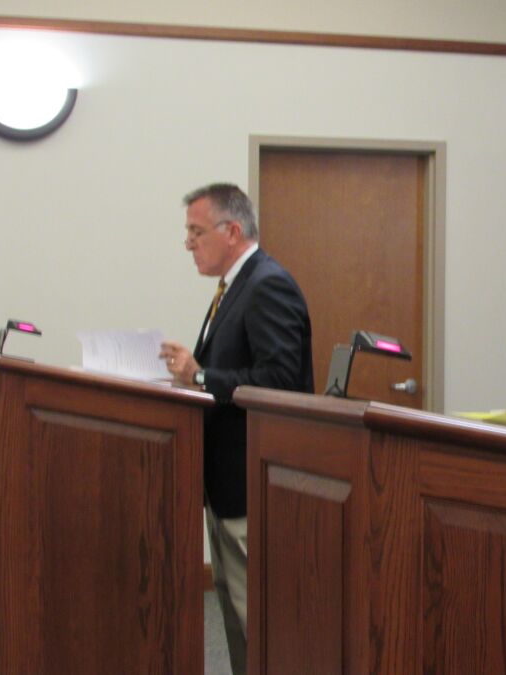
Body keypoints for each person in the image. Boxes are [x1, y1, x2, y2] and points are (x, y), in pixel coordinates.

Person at [160, 183, 314, 675]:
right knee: (235, 612)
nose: (188, 243)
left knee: (260, 622)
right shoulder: (231, 288)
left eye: (195, 231)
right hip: (226, 486)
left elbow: (282, 381)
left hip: (252, 486)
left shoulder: (267, 284)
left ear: (231, 231)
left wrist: (199, 375)